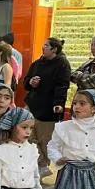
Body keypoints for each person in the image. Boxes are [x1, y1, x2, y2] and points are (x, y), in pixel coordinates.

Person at [23, 37, 71, 179]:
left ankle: (43, 165)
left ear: (54, 49)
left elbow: (62, 85)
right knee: (28, 135)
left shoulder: (62, 64)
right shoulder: (37, 63)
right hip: (32, 104)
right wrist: (31, 82)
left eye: (46, 46)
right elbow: (26, 81)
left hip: (49, 107)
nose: (43, 48)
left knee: (45, 139)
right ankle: (40, 164)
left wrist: (58, 103)